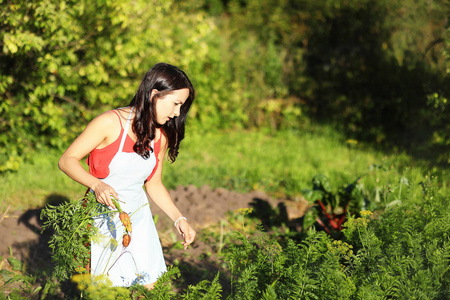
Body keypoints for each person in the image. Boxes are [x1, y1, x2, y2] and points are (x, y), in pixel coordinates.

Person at [58, 63, 197, 289]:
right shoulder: (110, 123)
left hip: (138, 221)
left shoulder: (160, 135)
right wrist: (96, 185)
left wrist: (179, 219)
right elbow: (67, 160)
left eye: (181, 106)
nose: (177, 113)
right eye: (175, 104)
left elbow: (154, 184)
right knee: (106, 288)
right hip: (100, 218)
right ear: (154, 95)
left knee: (150, 286)